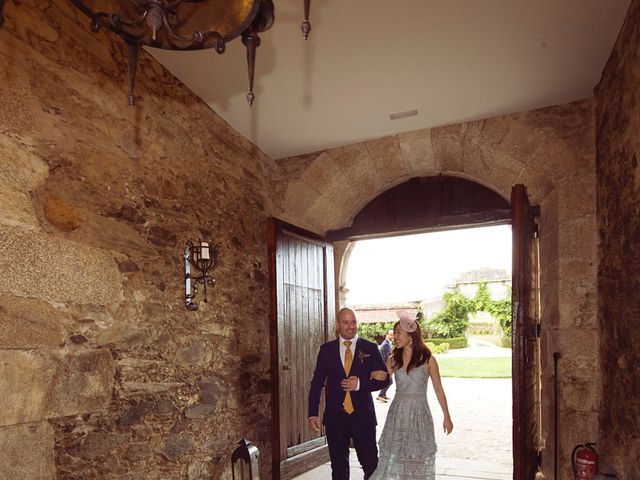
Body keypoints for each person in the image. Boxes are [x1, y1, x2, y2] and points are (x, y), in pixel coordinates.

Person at [308, 307, 390, 480]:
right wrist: (312, 413)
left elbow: (385, 380)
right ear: (337, 325)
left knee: (371, 464)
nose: (351, 326)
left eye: (354, 322)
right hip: (335, 418)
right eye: (346, 322)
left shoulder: (370, 348)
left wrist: (360, 384)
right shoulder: (326, 350)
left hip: (363, 417)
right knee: (338, 468)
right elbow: (317, 382)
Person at [370, 311, 453, 480]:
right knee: (398, 457)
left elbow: (438, 389)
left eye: (398, 333)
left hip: (420, 414)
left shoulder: (429, 360)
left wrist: (447, 416)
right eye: (394, 333)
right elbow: (380, 379)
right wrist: (371, 375)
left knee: (418, 459)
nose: (394, 337)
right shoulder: (393, 360)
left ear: (411, 335)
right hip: (398, 414)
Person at [376, 329, 394, 402]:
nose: (392, 336)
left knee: (389, 381)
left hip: (384, 365)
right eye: (390, 334)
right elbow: (387, 357)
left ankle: (383, 394)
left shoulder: (387, 343)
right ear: (387, 335)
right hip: (384, 366)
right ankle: (381, 395)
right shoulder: (386, 344)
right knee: (389, 381)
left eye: (393, 334)